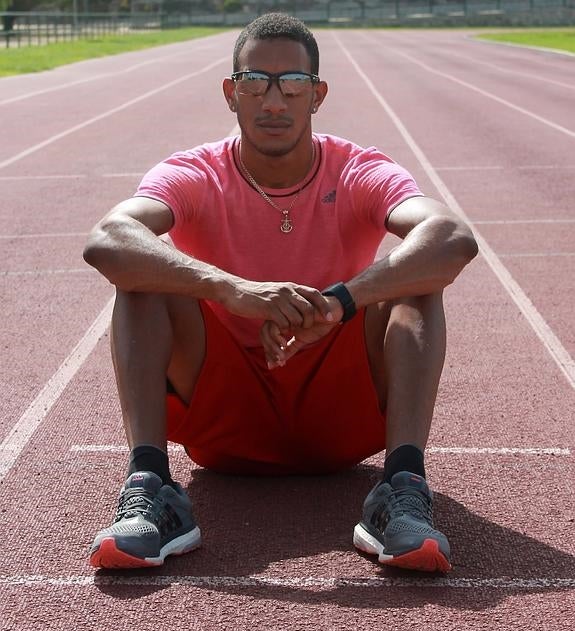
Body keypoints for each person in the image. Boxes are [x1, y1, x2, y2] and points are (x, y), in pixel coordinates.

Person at [83, 12, 478, 574]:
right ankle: (150, 489)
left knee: (417, 281)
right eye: (255, 82)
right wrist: (233, 289)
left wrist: (338, 303)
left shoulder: (358, 169)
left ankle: (403, 487)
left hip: (338, 413)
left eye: (291, 83)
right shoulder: (196, 173)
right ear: (231, 93)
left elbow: (451, 236)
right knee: (141, 277)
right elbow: (106, 239)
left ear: (316, 95)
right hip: (228, 416)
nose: (273, 101)